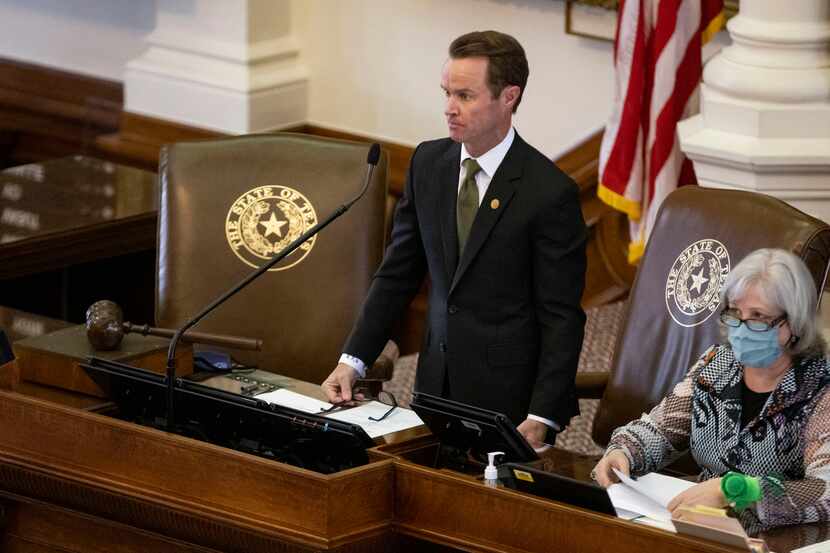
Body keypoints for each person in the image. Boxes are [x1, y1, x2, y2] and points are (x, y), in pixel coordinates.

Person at [321, 30, 587, 448]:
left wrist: (543, 415)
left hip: (509, 402)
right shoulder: (428, 164)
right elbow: (397, 274)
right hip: (433, 384)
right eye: (446, 93)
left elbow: (561, 317)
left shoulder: (549, 193)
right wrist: (353, 359)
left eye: (465, 96)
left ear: (509, 97)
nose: (449, 109)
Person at [593, 248, 830, 529]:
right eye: (734, 312)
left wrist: (737, 490)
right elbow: (662, 428)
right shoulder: (717, 364)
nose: (740, 329)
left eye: (757, 316)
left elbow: (826, 490)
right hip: (696, 525)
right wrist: (624, 452)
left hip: (773, 537)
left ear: (793, 324)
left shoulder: (820, 388)